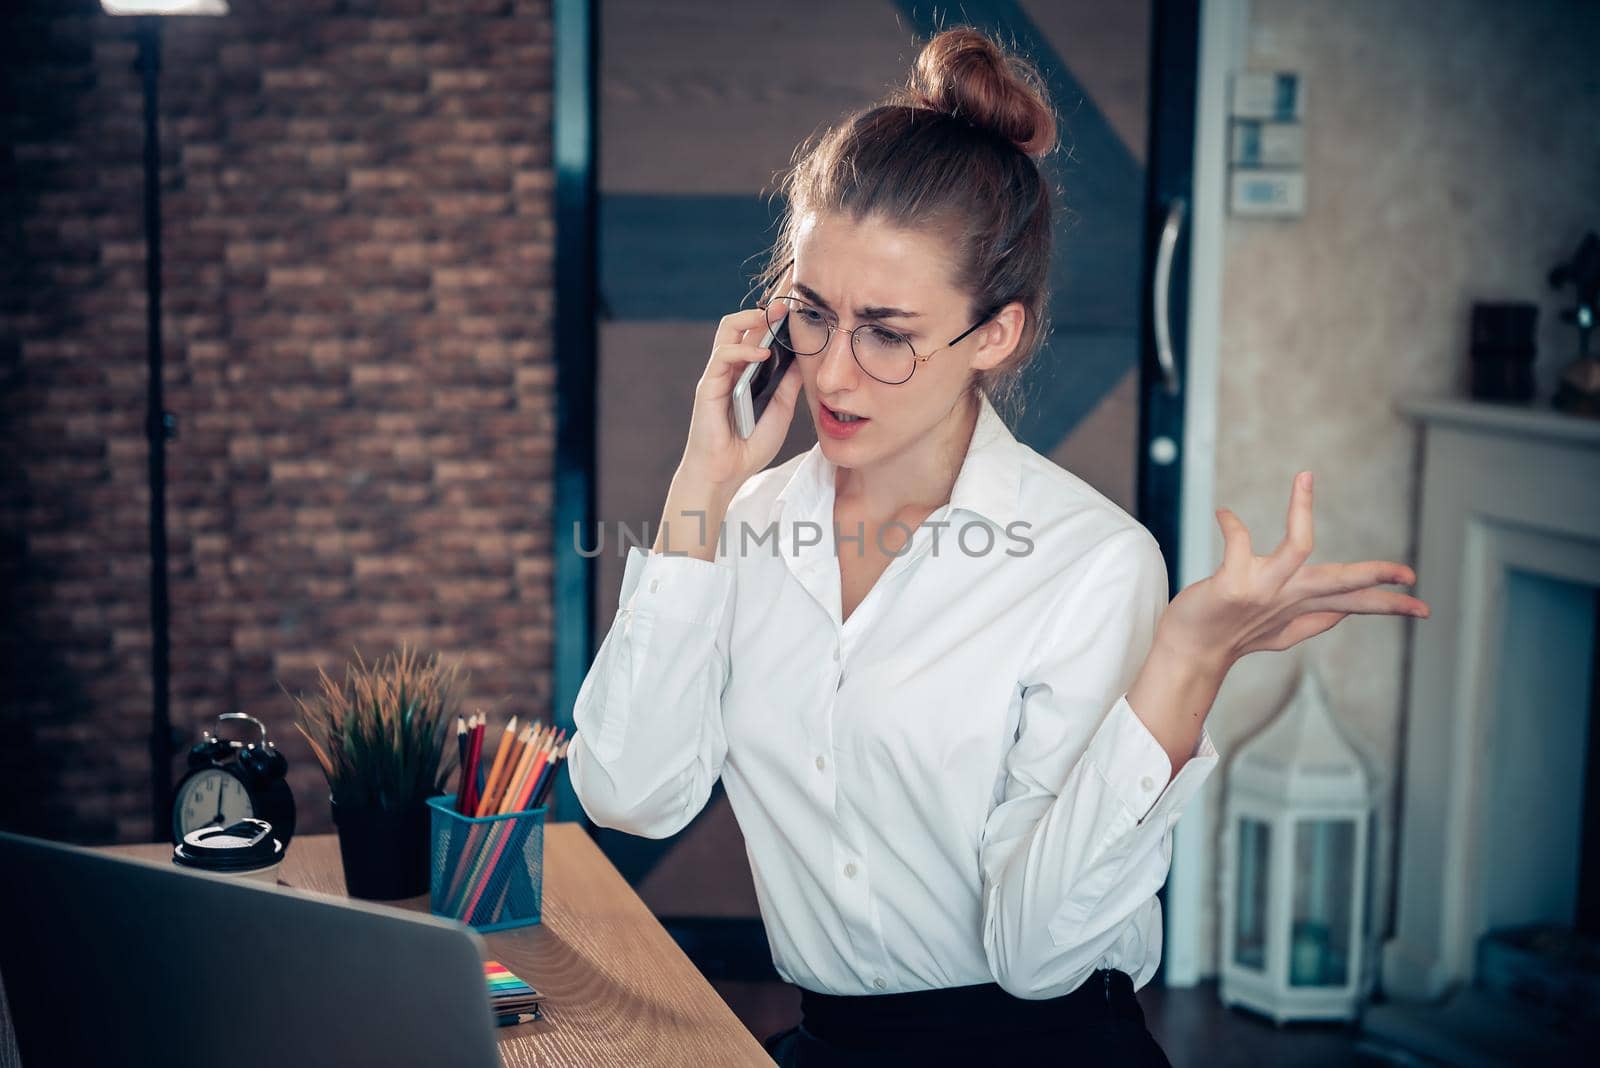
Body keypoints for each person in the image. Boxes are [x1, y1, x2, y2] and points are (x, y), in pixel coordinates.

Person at [567, 25, 1429, 1067]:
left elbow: (1034, 956)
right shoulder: (743, 528)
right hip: (832, 1044)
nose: (834, 376)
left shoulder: (1089, 563)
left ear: (995, 335)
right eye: (811, 313)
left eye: (888, 333)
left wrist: (1187, 661)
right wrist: (699, 488)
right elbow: (627, 792)